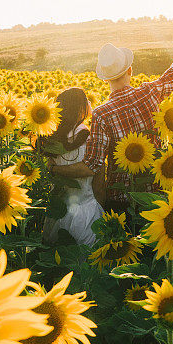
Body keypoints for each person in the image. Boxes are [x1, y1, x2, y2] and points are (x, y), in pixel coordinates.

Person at [49, 35, 173, 214]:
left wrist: (55, 168)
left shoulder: (102, 114)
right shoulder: (149, 93)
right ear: (130, 70)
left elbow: (92, 166)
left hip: (121, 198)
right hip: (157, 192)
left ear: (105, 80)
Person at [41, 87, 104, 246]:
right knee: (86, 264)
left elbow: (50, 173)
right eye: (87, 100)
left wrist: (54, 169)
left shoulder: (53, 140)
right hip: (86, 212)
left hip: (59, 212)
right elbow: (98, 183)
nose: (90, 103)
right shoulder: (90, 139)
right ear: (79, 108)